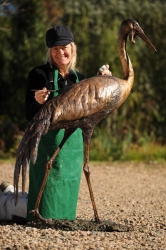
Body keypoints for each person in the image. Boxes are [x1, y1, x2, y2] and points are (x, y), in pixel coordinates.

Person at [0, 26, 111, 223]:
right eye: (55, 49)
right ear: (49, 52)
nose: (60, 53)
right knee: (42, 209)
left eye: (64, 47)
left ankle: (10, 191)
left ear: (72, 48)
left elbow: (91, 110)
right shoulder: (38, 75)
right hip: (47, 146)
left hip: (72, 150)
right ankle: (5, 202)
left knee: (63, 210)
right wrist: (37, 102)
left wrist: (102, 82)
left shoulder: (80, 78)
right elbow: (29, 114)